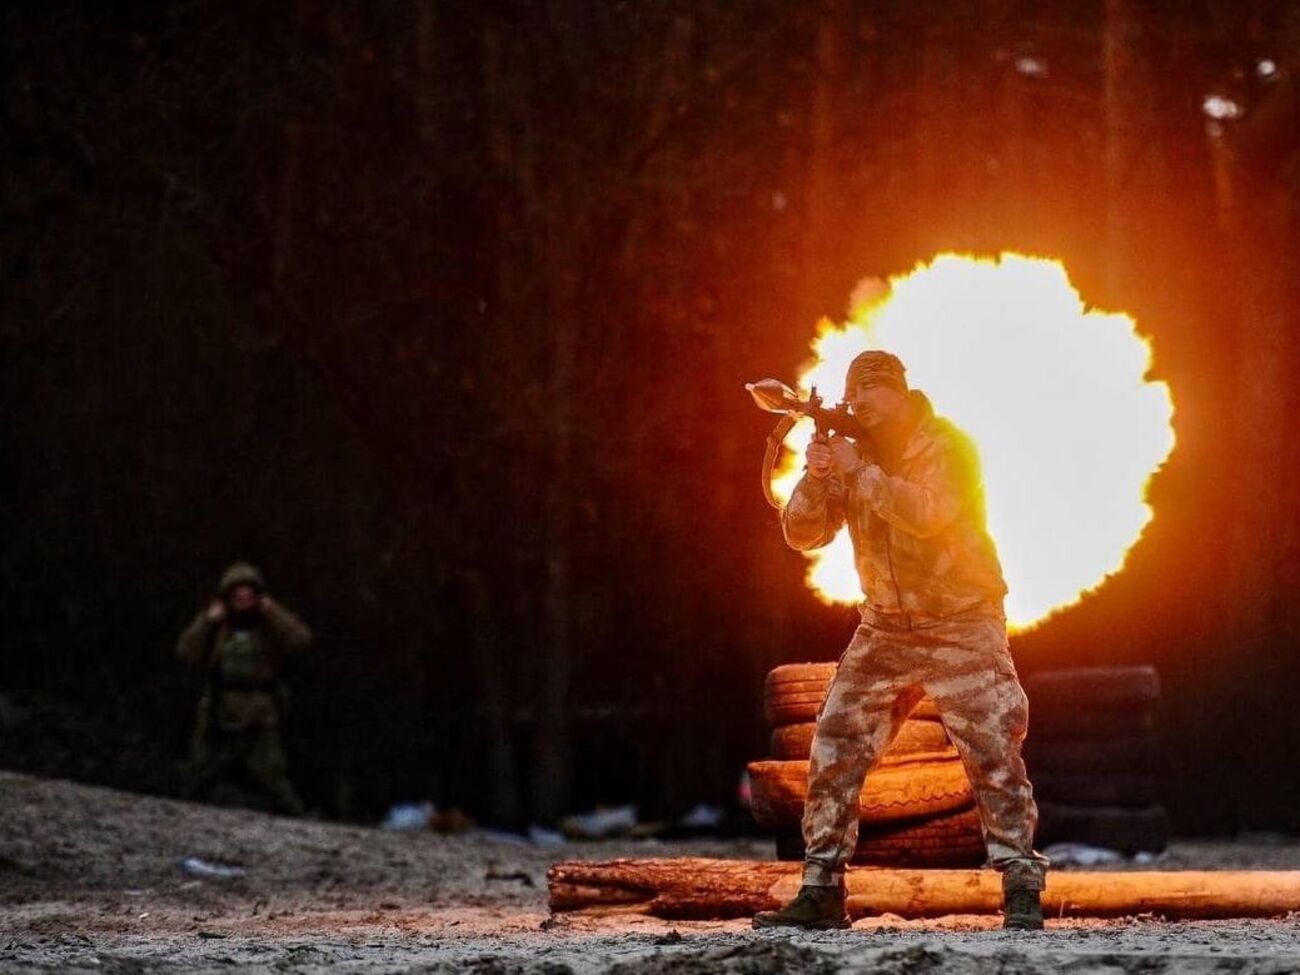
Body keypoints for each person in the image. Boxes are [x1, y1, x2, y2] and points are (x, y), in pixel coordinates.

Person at [752, 350, 1048, 931]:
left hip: (962, 623)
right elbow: (802, 534)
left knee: (993, 754)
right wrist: (816, 478)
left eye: (868, 394)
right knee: (834, 745)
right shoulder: (852, 453)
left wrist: (858, 470)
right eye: (852, 395)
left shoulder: (947, 445)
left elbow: (929, 513)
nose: (858, 404)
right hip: (885, 627)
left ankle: (1021, 887)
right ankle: (821, 889)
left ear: (897, 392)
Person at [176, 562, 310, 815]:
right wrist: (206, 621)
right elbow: (186, 652)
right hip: (220, 708)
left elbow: (300, 640)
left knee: (272, 773)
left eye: (249, 595)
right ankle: (182, 811)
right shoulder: (218, 626)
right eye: (237, 596)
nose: (243, 600)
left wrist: (273, 612)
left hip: (260, 710)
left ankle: (297, 816)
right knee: (200, 769)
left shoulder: (268, 627)